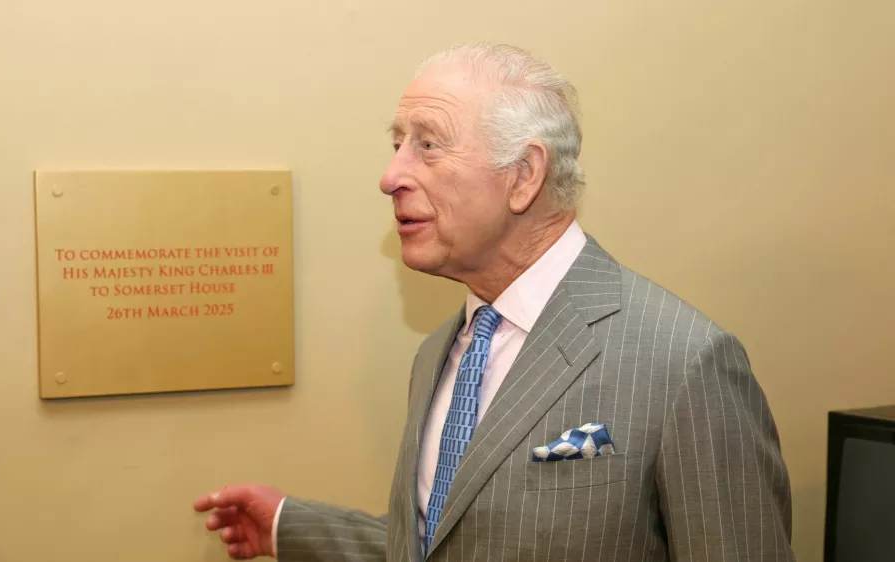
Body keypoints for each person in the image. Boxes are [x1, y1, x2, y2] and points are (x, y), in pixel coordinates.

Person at [194, 42, 795, 561]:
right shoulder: (439, 353)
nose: (391, 175)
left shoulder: (683, 362)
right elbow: (456, 540)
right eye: (398, 143)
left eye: (427, 146)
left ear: (524, 175)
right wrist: (287, 525)